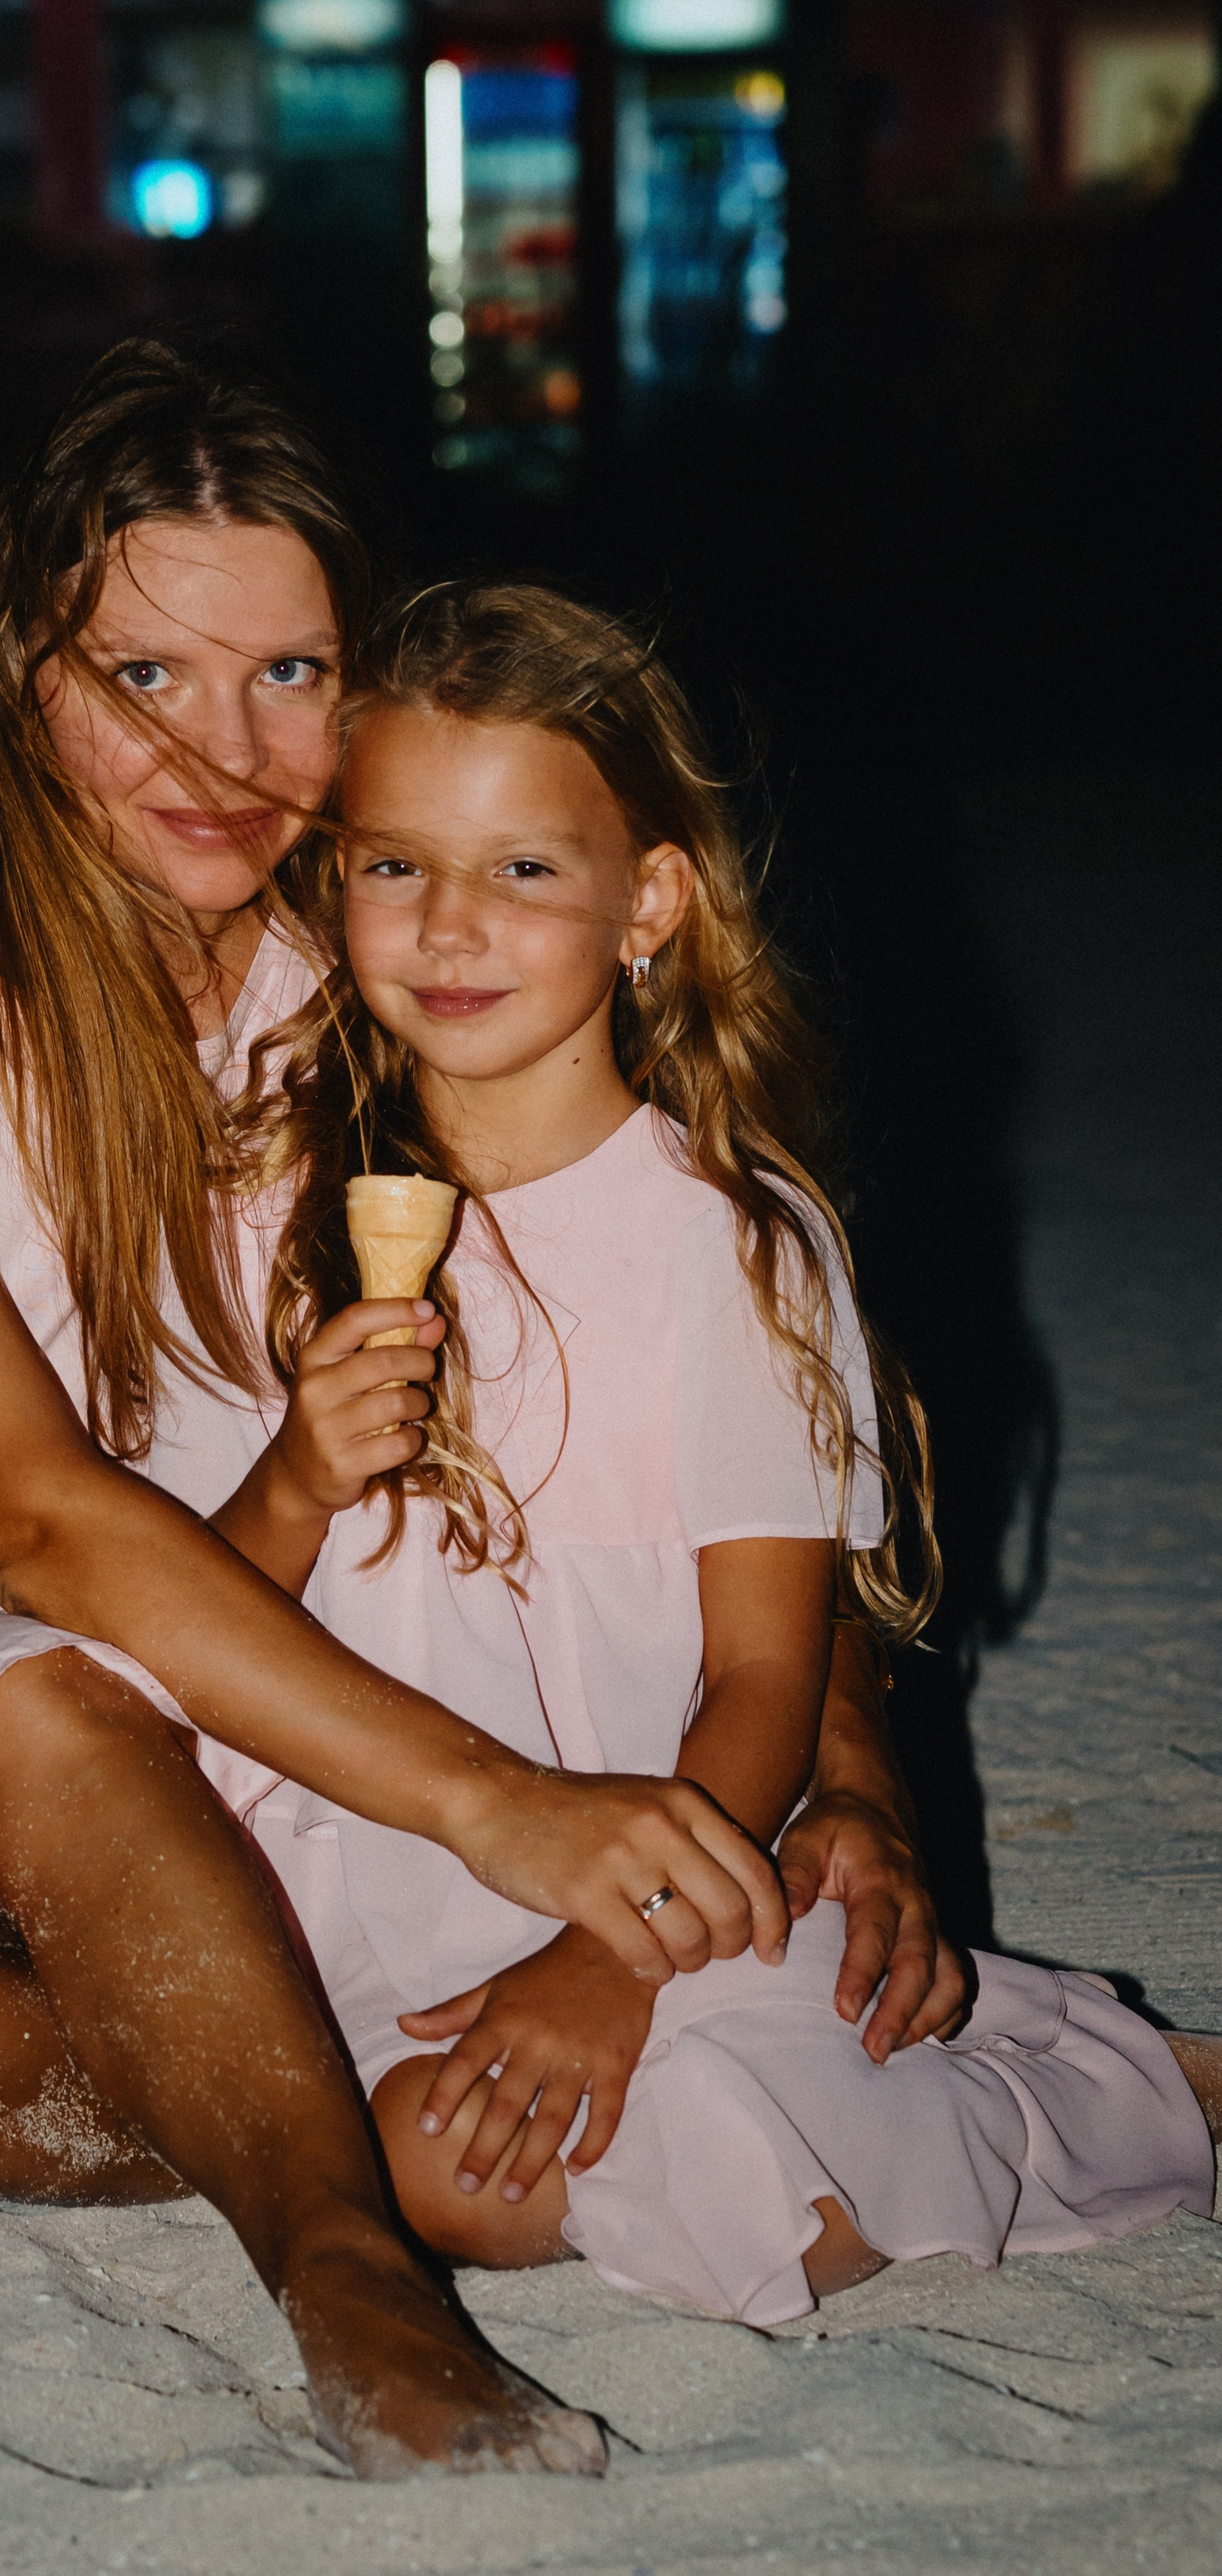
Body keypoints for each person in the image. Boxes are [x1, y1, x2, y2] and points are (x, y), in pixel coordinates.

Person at [0, 345, 958, 2477]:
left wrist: (847, 1778)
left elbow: (696, 1362)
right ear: (30, 672)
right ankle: (391, 2132)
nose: (223, 752)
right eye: (143, 675)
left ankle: (345, 2259)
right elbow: (38, 1530)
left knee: (57, 1724)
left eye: (291, 670)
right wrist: (507, 1810)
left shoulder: (395, 950)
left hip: (318, 1765)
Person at [171, 578, 1219, 2323]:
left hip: (667, 1873)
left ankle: (1084, 2097)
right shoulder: (279, 1195)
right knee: (379, 2156)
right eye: (393, 864)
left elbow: (756, 1679)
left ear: (648, 900)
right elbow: (209, 1617)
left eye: (525, 869)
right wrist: (297, 1474)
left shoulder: (728, 1243)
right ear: (329, 876)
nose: (450, 925)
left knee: (509, 2178)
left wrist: (604, 1966)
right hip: (370, 1878)